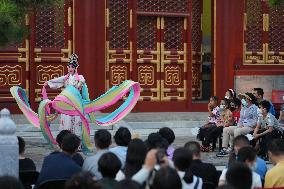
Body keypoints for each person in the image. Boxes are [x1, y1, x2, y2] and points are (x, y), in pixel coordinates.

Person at [43, 53, 86, 134]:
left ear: (75, 68)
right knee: (66, 118)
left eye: (72, 67)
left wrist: (78, 83)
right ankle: (65, 136)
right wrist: (48, 83)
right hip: (66, 101)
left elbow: (81, 83)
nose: (70, 68)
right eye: (69, 67)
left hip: (75, 102)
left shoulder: (80, 77)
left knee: (76, 120)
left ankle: (75, 138)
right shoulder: (66, 78)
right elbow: (56, 81)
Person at [217, 93, 258, 157]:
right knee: (226, 129)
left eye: (245, 98)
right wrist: (239, 125)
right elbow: (241, 119)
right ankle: (225, 149)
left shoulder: (255, 108)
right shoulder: (244, 108)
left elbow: (255, 121)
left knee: (237, 131)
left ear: (249, 99)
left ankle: (234, 149)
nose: (243, 100)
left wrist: (244, 125)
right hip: (242, 126)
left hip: (250, 127)